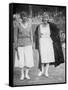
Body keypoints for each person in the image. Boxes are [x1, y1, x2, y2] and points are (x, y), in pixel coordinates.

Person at [34, 12, 64, 77]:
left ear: (48, 19)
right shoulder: (39, 26)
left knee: (48, 58)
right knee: (42, 57)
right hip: (42, 42)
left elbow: (57, 30)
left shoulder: (50, 25)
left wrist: (61, 34)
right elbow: (36, 35)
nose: (45, 19)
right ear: (42, 18)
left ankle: (46, 72)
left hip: (48, 42)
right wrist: (38, 43)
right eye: (44, 18)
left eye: (46, 18)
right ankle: (41, 71)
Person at [13, 12, 34, 80]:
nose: (24, 17)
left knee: (28, 59)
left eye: (25, 16)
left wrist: (32, 44)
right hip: (20, 44)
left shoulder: (29, 24)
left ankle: (26, 74)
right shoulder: (17, 25)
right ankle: (22, 74)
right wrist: (16, 45)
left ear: (27, 17)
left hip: (28, 44)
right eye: (23, 16)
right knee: (21, 60)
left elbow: (31, 35)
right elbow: (15, 36)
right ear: (21, 18)